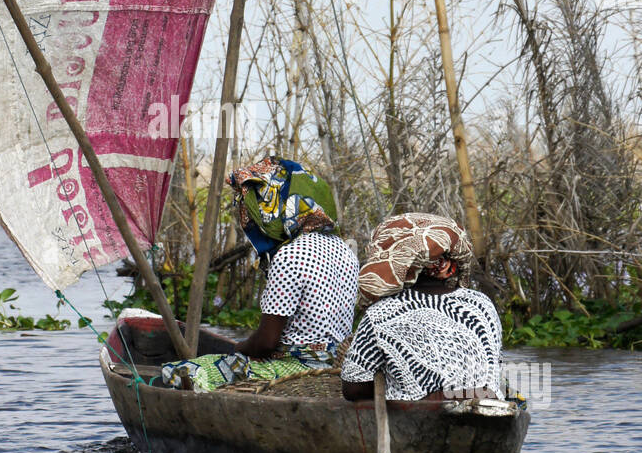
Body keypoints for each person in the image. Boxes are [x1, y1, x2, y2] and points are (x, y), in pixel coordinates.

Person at [161, 157, 359, 392]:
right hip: (336, 362)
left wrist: (239, 349)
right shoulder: (345, 249)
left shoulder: (291, 255)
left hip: (294, 366)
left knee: (175, 372)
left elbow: (266, 343)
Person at [341, 212, 503, 403]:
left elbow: (353, 388)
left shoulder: (381, 312)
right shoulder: (482, 304)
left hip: (420, 415)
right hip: (490, 406)